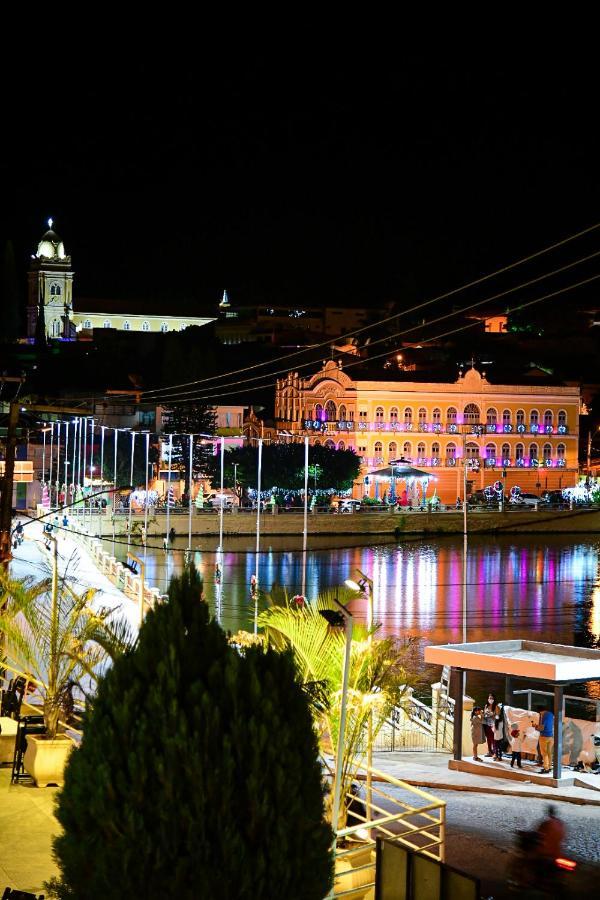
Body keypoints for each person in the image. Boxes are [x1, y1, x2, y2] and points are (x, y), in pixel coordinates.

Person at [534, 703, 554, 774]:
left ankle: (546, 768)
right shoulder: (551, 714)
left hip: (544, 736)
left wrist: (536, 727)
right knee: (549, 753)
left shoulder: (543, 716)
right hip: (551, 736)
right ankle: (550, 767)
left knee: (544, 753)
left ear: (540, 711)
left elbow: (542, 728)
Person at [482, 693, 497, 757]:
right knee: (488, 739)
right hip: (486, 724)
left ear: (494, 699)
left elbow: (497, 716)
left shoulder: (496, 706)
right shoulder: (486, 706)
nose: (490, 699)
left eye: (492, 698)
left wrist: (492, 714)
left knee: (493, 739)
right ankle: (489, 751)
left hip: (493, 725)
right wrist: (485, 714)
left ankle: (495, 752)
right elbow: (484, 714)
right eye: (489, 698)